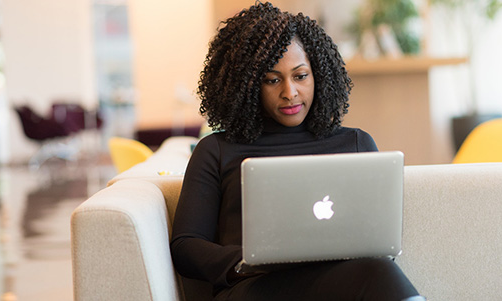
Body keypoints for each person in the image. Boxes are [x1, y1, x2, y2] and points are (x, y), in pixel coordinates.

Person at [170, 2, 424, 300]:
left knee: (381, 272)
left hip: (338, 284)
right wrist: (250, 261)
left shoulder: (356, 144)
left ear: (319, 75)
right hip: (254, 289)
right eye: (273, 79)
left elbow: (377, 240)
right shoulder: (217, 150)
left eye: (300, 76)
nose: (289, 92)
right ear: (248, 85)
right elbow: (186, 246)